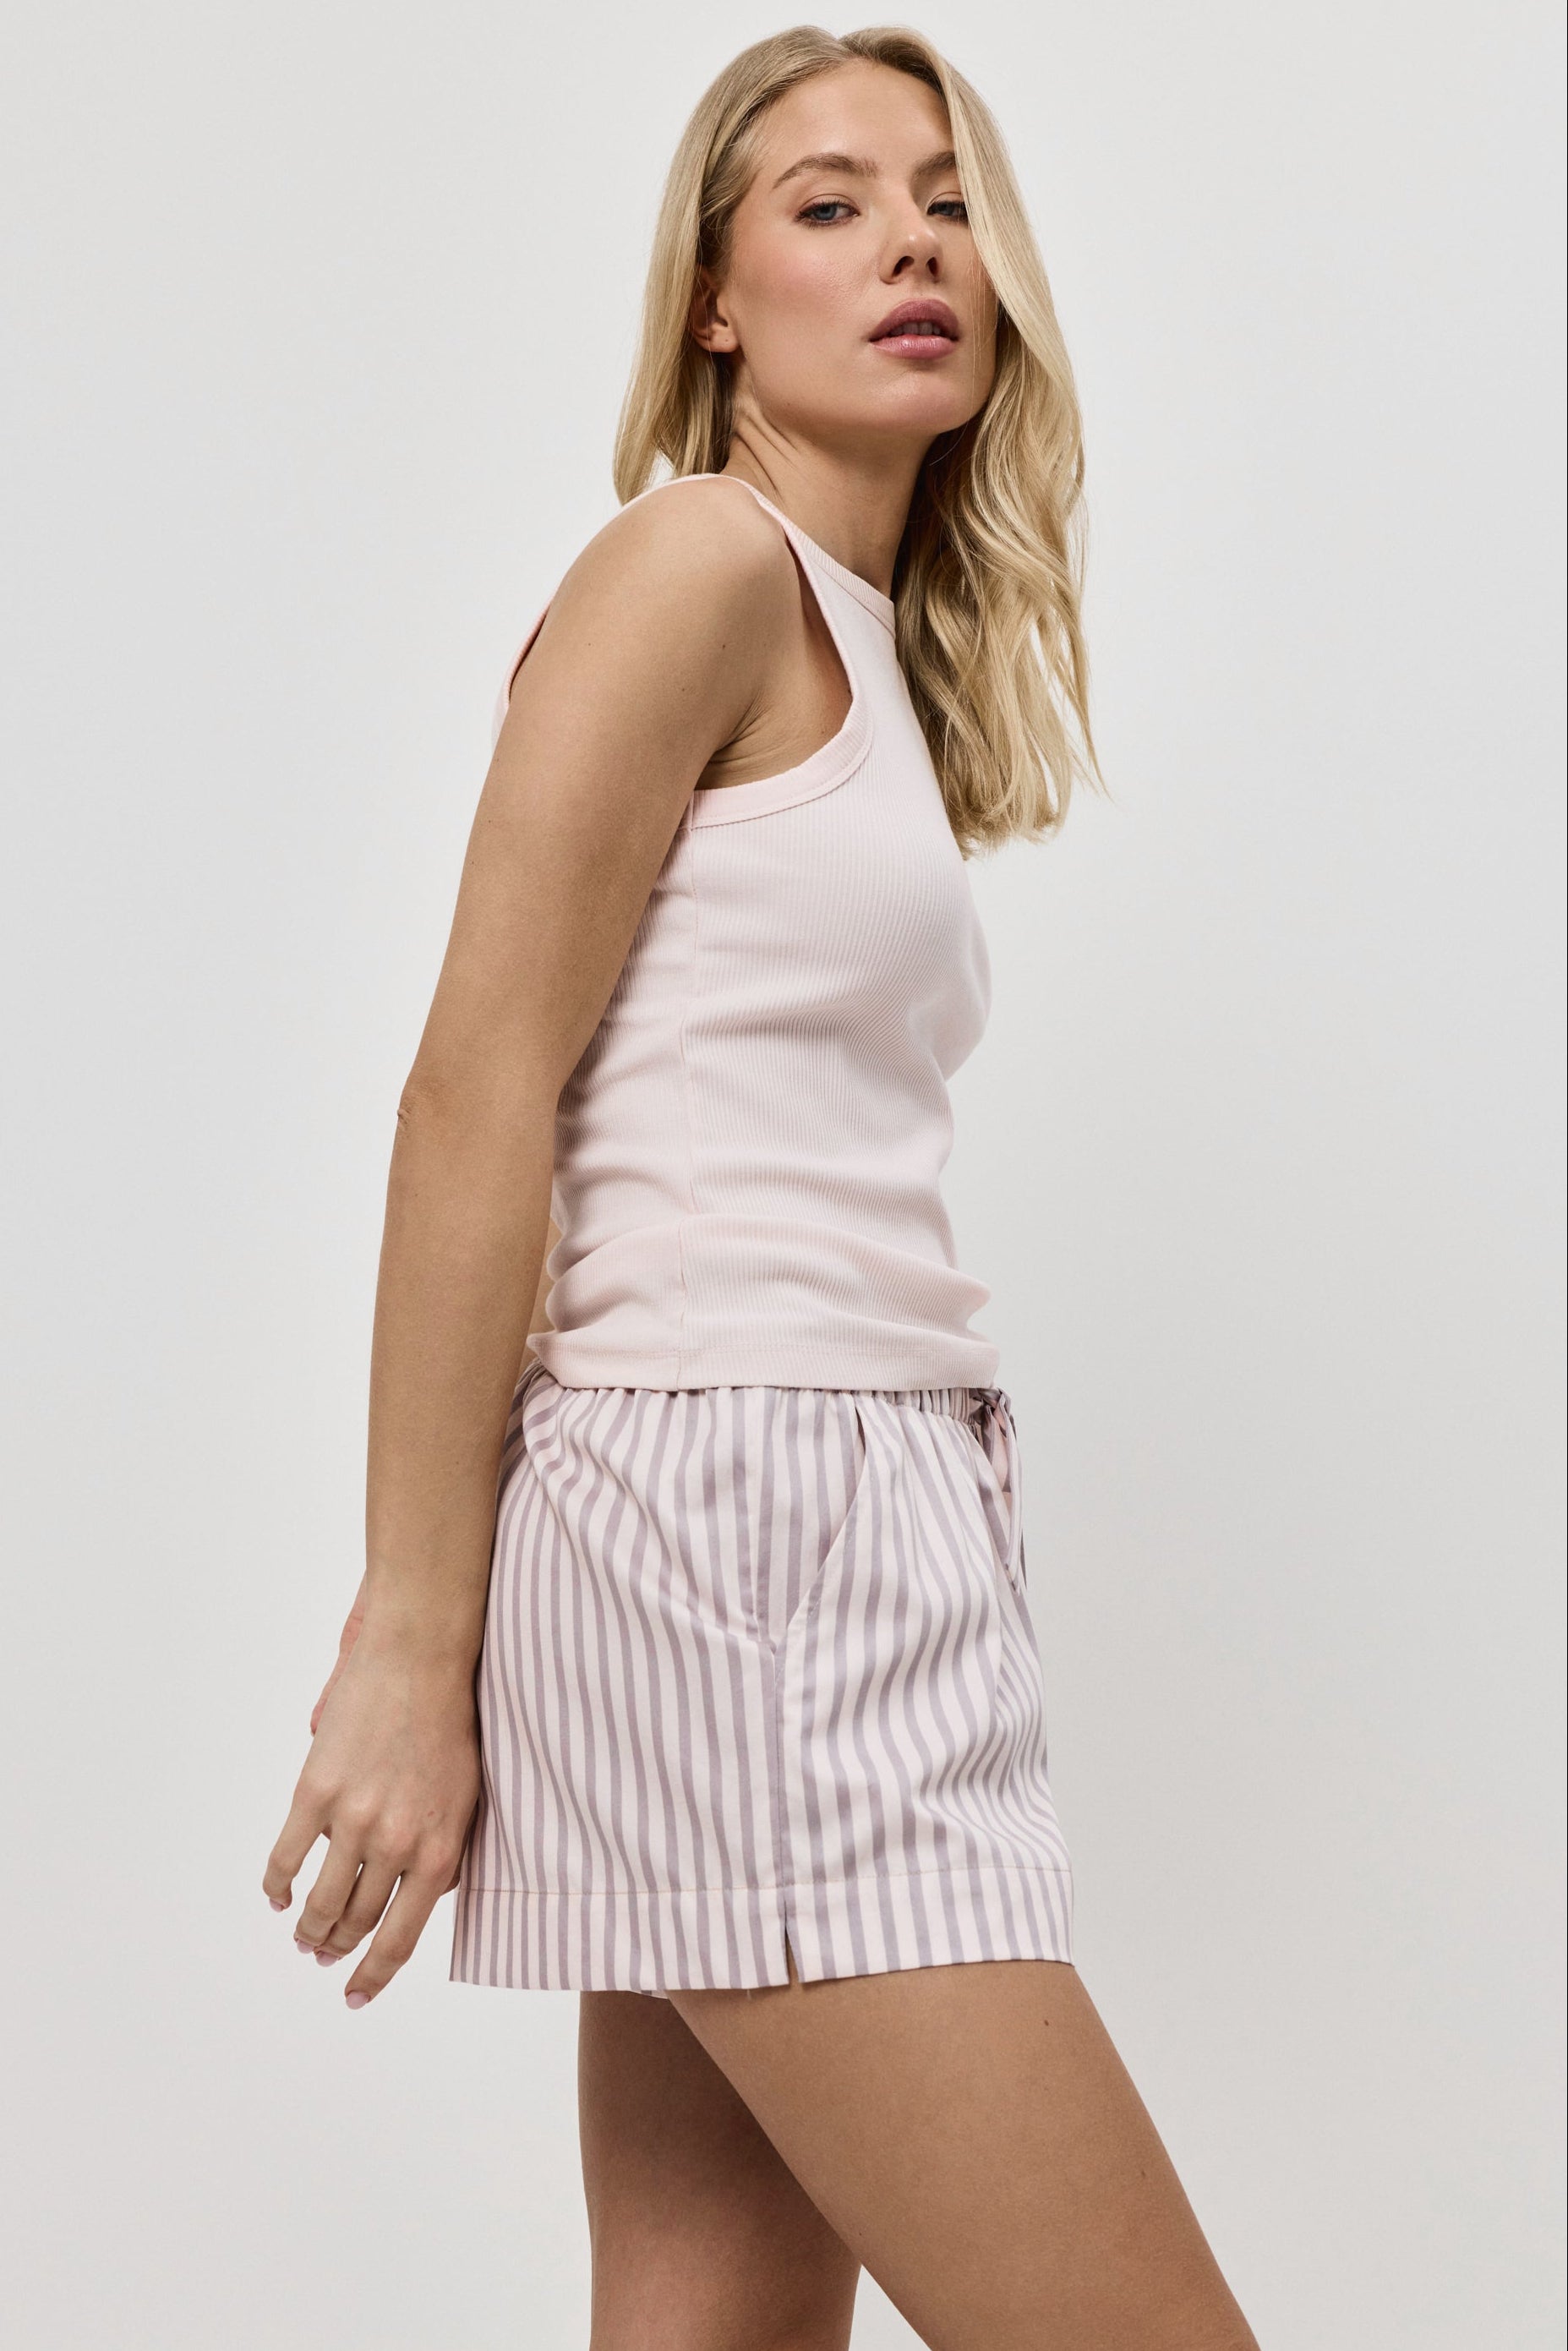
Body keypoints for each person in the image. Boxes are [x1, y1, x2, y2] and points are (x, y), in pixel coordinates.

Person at [263, 26, 1260, 2349]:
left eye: (944, 199)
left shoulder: (846, 641)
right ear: (710, 300)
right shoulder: (693, 566)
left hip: (801, 1525)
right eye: (825, 203)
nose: (911, 240)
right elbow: (470, 1093)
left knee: (711, 2328)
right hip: (749, 1538)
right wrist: (413, 1640)